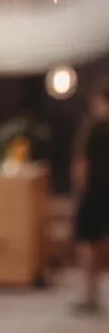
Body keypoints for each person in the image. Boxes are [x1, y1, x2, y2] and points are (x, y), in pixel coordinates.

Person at [72, 80, 109, 315]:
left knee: (87, 244)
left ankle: (90, 296)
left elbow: (82, 163)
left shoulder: (94, 127)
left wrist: (80, 190)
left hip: (95, 192)